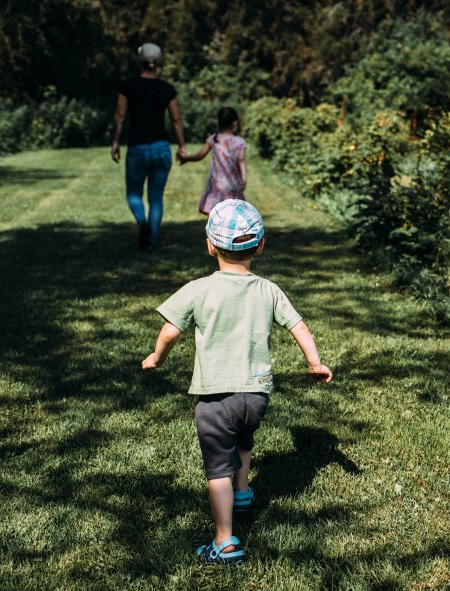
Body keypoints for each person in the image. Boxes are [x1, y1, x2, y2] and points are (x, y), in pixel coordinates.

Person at [141, 199, 332, 564]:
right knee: (244, 438)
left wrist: (155, 357)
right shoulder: (269, 290)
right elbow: (299, 326)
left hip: (216, 397)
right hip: (256, 394)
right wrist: (315, 362)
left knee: (217, 470)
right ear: (260, 245)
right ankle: (243, 490)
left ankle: (225, 540)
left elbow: (169, 331)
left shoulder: (198, 289)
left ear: (209, 245)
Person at [110, 43, 187, 250]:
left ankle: (142, 223)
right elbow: (176, 119)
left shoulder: (128, 86)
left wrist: (115, 141)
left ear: (140, 61)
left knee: (133, 194)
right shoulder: (167, 89)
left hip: (137, 148)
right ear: (159, 62)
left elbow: (120, 115)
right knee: (156, 198)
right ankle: (151, 240)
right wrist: (181, 145)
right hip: (161, 148)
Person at [178, 107, 247, 215]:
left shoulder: (214, 139)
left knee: (215, 219)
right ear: (234, 123)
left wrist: (186, 158)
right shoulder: (239, 142)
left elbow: (199, 156)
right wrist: (244, 179)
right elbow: (241, 160)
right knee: (233, 217)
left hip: (216, 186)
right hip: (233, 185)